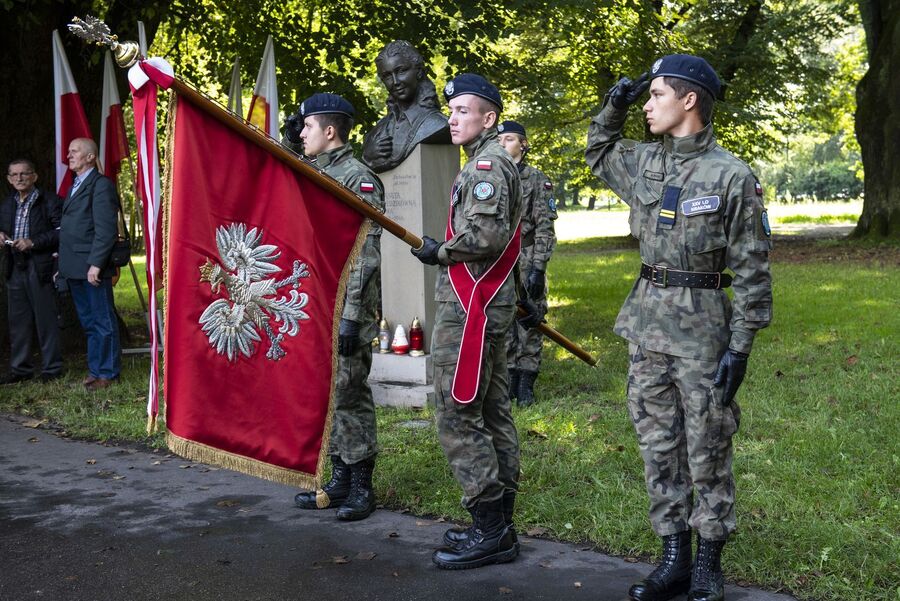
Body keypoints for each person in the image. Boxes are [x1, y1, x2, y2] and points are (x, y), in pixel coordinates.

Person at [585, 55, 773, 601]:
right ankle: (674, 556)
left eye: (656, 94)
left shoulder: (732, 176)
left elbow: (754, 270)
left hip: (702, 332)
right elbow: (597, 151)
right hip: (647, 326)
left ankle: (709, 560)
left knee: (707, 446)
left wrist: (740, 347)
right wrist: (614, 105)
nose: (647, 104)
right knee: (656, 444)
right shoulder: (645, 163)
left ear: (689, 100)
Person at [411, 73, 540, 570]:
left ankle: (490, 530)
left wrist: (439, 251)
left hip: (472, 309)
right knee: (491, 410)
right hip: (486, 304)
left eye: (463, 110)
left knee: (456, 409)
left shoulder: (486, 164)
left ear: (488, 118)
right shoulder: (493, 163)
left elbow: (485, 238)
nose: (453, 118)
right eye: (451, 111)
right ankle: (500, 525)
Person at [292, 93, 385, 521]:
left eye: (308, 126)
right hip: (315, 304)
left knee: (349, 392)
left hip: (349, 308)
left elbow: (365, 253)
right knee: (325, 393)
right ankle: (338, 478)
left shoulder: (357, 178)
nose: (301, 133)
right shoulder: (310, 172)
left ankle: (362, 485)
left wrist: (349, 319)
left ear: (330, 131)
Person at [497, 120, 557, 407]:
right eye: (499, 140)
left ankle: (526, 383)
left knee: (530, 318)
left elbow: (545, 227)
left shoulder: (536, 179)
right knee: (503, 317)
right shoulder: (494, 176)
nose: (503, 144)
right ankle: (508, 379)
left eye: (509, 139)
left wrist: (538, 268)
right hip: (499, 259)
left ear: (523, 144)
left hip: (527, 255)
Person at [58, 138, 122, 390]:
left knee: (103, 321)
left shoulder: (101, 185)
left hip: (91, 268)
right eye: (69, 151)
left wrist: (96, 264)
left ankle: (108, 373)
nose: (68, 155)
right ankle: (96, 371)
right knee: (89, 322)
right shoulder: (76, 184)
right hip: (74, 266)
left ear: (89, 157)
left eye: (74, 151)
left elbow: (106, 230)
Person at [0, 159, 63, 384]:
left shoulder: (49, 201)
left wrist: (33, 242)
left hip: (41, 266)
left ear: (34, 176)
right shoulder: (7, 204)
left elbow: (60, 231)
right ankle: (21, 370)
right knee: (18, 322)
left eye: (24, 174)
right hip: (14, 267)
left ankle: (52, 369)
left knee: (46, 319)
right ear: (8, 179)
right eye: (14, 175)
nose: (19, 178)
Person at [361, 40, 450, 172]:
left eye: (401, 71)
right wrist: (367, 157)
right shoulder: (378, 131)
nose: (395, 82)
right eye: (387, 76)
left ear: (419, 71)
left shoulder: (437, 125)